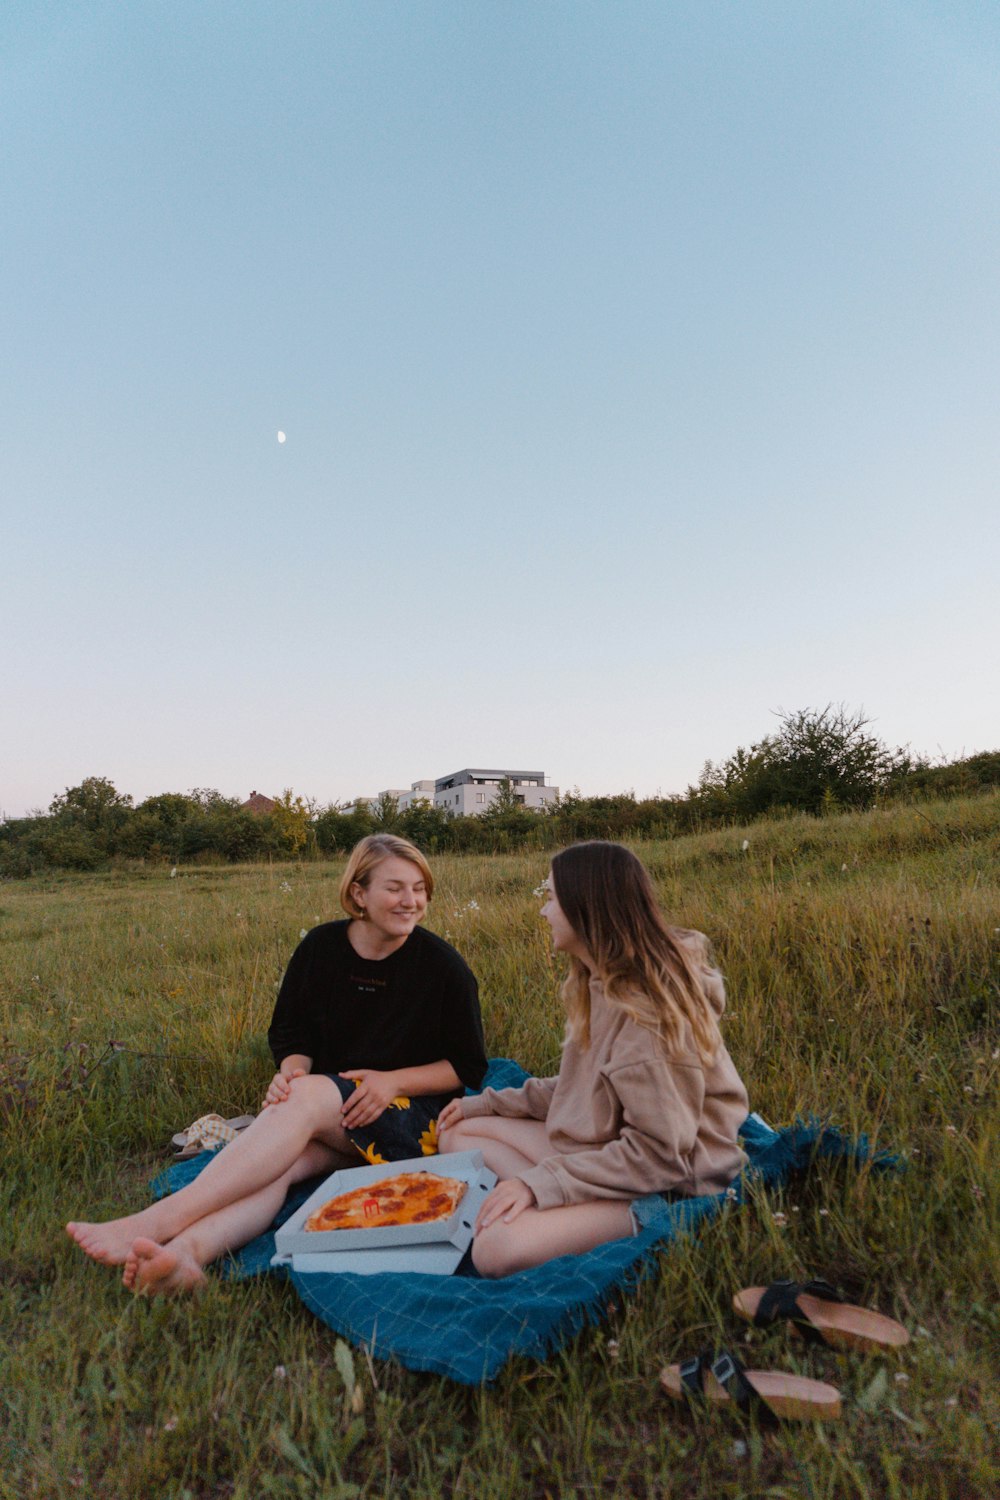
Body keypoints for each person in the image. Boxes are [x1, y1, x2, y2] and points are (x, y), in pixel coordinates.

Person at [66, 834, 487, 1294]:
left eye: (419, 888)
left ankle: (158, 1219)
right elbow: (292, 1032)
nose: (411, 901)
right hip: (336, 1115)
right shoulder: (322, 948)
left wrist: (391, 1082)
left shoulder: (443, 967)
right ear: (359, 893)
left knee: (298, 1108)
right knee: (280, 1163)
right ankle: (187, 1255)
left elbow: (468, 1067)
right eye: (395, 888)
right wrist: (293, 1071)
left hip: (413, 1118)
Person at [438, 840, 748, 1277]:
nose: (544, 912)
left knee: (493, 1249)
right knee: (457, 1134)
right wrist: (484, 1102)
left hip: (667, 1185)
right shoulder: (599, 982)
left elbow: (661, 1157)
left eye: (551, 899)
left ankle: (561, 1209)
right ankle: (552, 1201)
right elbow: (578, 1087)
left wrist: (540, 1183)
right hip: (608, 1149)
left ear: (586, 908)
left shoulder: (647, 1017)